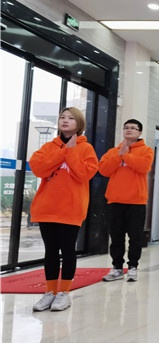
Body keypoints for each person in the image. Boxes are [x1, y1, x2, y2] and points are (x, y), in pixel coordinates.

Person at [29, 107, 98, 312]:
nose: (65, 120)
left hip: (71, 208)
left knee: (68, 250)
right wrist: (63, 152)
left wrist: (71, 152)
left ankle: (64, 294)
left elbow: (84, 174)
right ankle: (50, 292)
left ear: (79, 123)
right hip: (47, 207)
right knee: (50, 251)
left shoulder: (86, 149)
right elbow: (38, 168)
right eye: (62, 117)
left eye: (70, 118)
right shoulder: (49, 147)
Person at [99, 119, 154, 283]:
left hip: (136, 201)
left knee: (135, 237)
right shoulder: (113, 151)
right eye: (126, 128)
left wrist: (126, 155)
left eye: (133, 128)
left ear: (140, 132)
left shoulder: (146, 150)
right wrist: (119, 155)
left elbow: (143, 167)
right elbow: (104, 170)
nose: (129, 130)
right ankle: (117, 267)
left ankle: (133, 267)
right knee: (116, 237)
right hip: (115, 200)